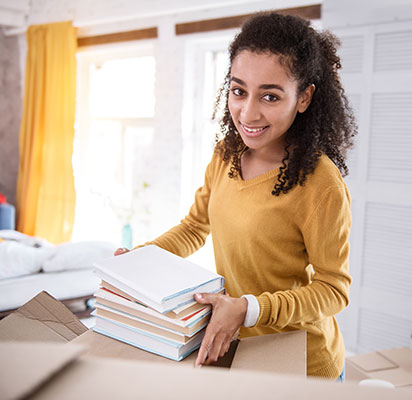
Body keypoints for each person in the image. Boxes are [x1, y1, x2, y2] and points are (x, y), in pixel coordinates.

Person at [114, 12, 356, 380]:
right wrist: (140, 261)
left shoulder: (321, 183)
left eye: (270, 96)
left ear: (304, 97)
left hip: (303, 364)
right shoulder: (226, 153)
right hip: (240, 348)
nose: (248, 112)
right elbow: (196, 226)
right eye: (239, 90)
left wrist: (249, 308)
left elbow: (333, 290)